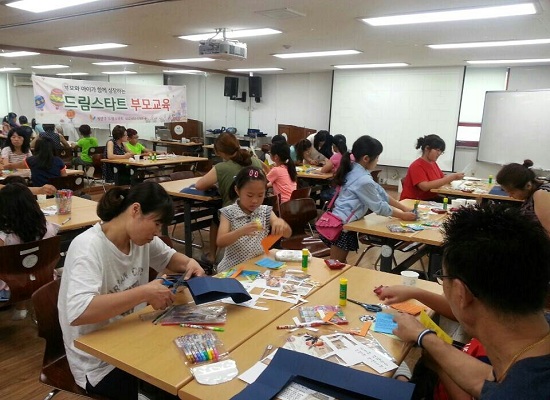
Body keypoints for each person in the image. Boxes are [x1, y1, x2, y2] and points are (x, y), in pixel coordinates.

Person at [58, 182, 205, 399]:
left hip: (135, 339)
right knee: (177, 384)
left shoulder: (140, 240)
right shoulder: (88, 247)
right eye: (156, 223)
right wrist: (145, 293)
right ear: (135, 210)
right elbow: (79, 312)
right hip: (98, 363)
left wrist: (190, 263)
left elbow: (170, 259)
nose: (157, 233)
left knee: (193, 365)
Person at [392, 204, 550, 399]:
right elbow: (488, 381)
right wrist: (425, 337)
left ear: (461, 293)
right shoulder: (534, 342)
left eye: (443, 277)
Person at [376, 285, 490, 400]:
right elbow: (464, 313)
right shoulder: (493, 322)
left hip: (440, 386)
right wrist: (414, 292)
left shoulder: (493, 354)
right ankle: (402, 379)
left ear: (461, 290)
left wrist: (437, 361)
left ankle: (401, 380)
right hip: (446, 374)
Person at [319, 135, 416, 262]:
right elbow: (379, 207)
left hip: (344, 221)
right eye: (377, 157)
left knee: (339, 264)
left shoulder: (356, 170)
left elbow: (381, 192)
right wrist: (402, 215)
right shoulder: (363, 179)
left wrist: (403, 208)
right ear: (366, 158)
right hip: (342, 225)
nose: (377, 161)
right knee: (335, 264)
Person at [195, 132, 264, 266]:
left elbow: (199, 185)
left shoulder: (221, 167)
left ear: (219, 152)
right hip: (255, 210)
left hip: (233, 211)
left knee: (216, 217)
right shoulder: (254, 161)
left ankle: (212, 256)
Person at [0, 181, 59, 319]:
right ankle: (23, 306)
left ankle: (21, 307)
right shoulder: (48, 228)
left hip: (10, 288)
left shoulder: (4, 235)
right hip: (44, 279)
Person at [216, 166, 291, 272]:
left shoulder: (265, 211)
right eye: (250, 195)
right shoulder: (228, 213)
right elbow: (220, 241)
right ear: (237, 190)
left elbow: (287, 234)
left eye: (260, 195)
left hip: (257, 265)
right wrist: (241, 231)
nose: (255, 201)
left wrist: (281, 224)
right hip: (232, 268)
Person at [400, 134, 464, 201]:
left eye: (441, 151)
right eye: (437, 150)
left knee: (458, 201)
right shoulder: (417, 165)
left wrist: (455, 177)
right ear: (427, 148)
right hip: (415, 201)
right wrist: (452, 177)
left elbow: (442, 178)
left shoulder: (433, 163)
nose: (439, 153)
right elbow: (425, 187)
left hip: (431, 198)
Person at [496, 159, 550, 235]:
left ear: (528, 186)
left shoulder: (541, 195)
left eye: (512, 192)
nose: (510, 195)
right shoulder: (532, 194)